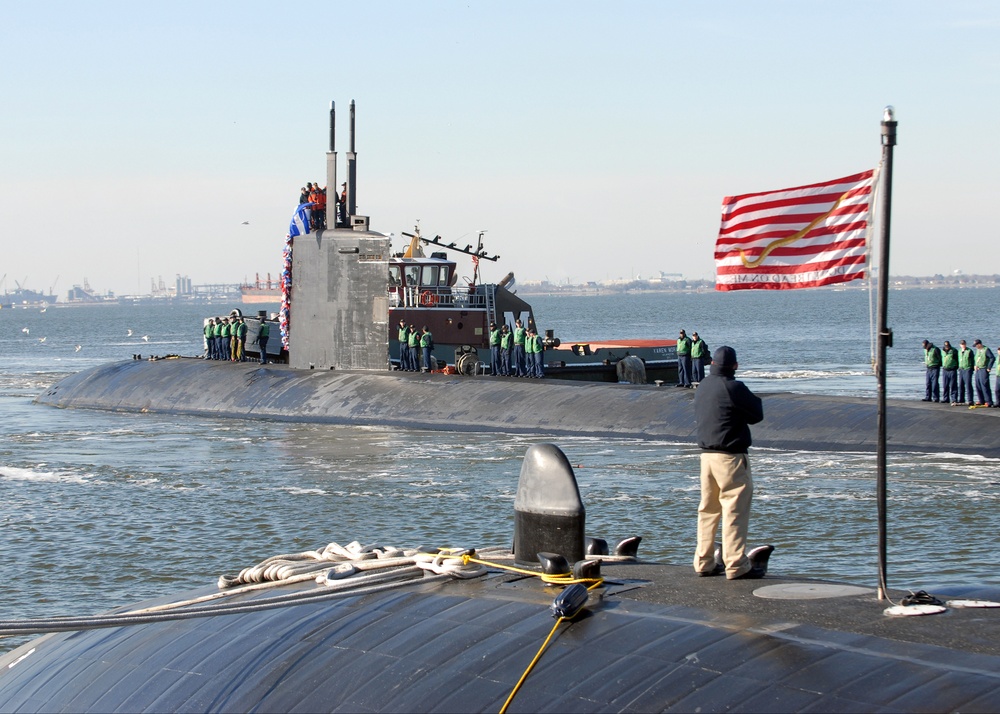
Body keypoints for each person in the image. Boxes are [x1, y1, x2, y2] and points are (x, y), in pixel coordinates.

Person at [693, 346, 765, 580]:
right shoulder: (734, 387)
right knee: (734, 510)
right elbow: (756, 415)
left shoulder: (703, 385)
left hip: (706, 456)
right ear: (734, 366)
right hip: (730, 457)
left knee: (708, 510)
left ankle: (703, 561)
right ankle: (735, 564)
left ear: (712, 363)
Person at [973, 339, 994, 407]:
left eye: (976, 345)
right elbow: (976, 359)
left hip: (984, 369)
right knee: (978, 385)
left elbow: (992, 358)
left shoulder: (986, 349)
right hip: (978, 369)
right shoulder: (978, 350)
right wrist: (975, 365)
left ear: (979, 344)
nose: (976, 347)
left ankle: (988, 401)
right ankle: (981, 400)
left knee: (984, 385)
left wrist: (989, 367)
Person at [940, 340, 958, 405]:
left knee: (953, 385)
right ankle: (946, 399)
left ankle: (954, 399)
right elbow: (940, 359)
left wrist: (956, 367)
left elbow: (957, 359)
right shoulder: (942, 351)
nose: (946, 347)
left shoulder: (954, 351)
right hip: (945, 370)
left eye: (947, 346)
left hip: (952, 370)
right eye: (945, 346)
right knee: (945, 385)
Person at [957, 339, 975, 405]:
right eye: (962, 344)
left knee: (968, 384)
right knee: (961, 385)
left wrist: (972, 369)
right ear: (960, 345)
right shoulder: (959, 351)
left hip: (967, 369)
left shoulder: (969, 351)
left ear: (966, 344)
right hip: (961, 369)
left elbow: (973, 360)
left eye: (964, 344)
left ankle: (970, 400)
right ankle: (961, 399)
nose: (963, 345)